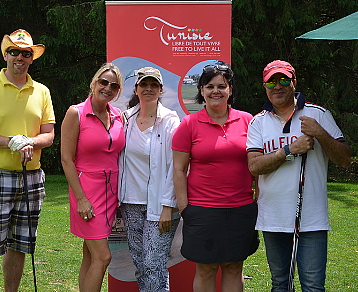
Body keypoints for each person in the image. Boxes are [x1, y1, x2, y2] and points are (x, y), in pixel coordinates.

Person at [246, 60, 352, 292]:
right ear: (265, 86)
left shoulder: (318, 115)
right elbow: (254, 166)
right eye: (271, 81)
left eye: (283, 80)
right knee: (280, 284)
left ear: (294, 82)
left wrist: (320, 133)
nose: (278, 86)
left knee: (313, 286)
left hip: (311, 219)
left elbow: (345, 160)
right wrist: (288, 150)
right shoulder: (258, 122)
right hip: (273, 218)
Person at [0, 29, 55, 292]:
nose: (20, 57)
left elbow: (49, 135)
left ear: (32, 58)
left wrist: (28, 142)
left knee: (20, 245)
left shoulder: (41, 91)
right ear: (6, 54)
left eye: (26, 53)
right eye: (15, 52)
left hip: (31, 177)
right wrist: (11, 142)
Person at [172, 62, 258, 292]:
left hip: (241, 209)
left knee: (233, 267)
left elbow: (256, 164)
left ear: (230, 89)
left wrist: (258, 198)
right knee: (206, 269)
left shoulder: (248, 121)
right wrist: (184, 207)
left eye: (222, 85)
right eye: (209, 86)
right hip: (202, 211)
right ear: (201, 90)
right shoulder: (188, 125)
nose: (216, 91)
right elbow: (179, 169)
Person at [60, 63, 125, 292]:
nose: (107, 88)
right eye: (103, 82)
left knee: (89, 255)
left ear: (118, 91)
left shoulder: (118, 116)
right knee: (103, 256)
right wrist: (81, 199)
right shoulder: (75, 113)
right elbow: (67, 160)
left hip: (111, 194)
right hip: (86, 192)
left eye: (113, 85)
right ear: (94, 83)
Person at [118, 67, 181, 292]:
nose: (148, 89)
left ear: (161, 90)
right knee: (141, 263)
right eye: (144, 84)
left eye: (154, 85)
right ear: (136, 88)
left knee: (154, 264)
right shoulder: (125, 119)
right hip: (131, 203)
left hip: (160, 206)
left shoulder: (171, 122)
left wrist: (167, 206)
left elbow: (177, 167)